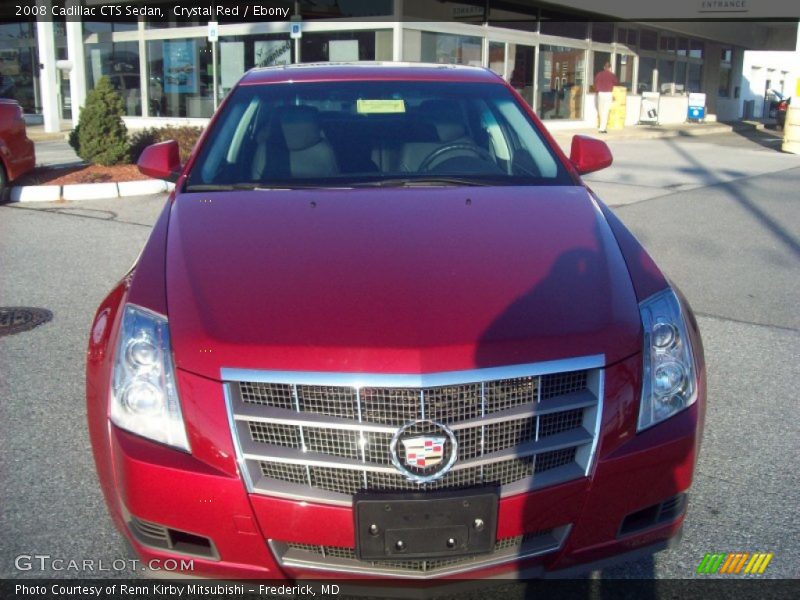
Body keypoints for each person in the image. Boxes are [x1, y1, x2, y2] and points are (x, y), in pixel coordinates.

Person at [594, 62, 619, 133]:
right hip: (608, 93)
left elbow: (595, 82)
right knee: (606, 111)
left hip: (600, 93)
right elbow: (616, 82)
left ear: (604, 67)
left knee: (600, 111)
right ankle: (602, 128)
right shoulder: (612, 75)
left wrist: (596, 91)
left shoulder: (599, 74)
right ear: (610, 68)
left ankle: (601, 127)